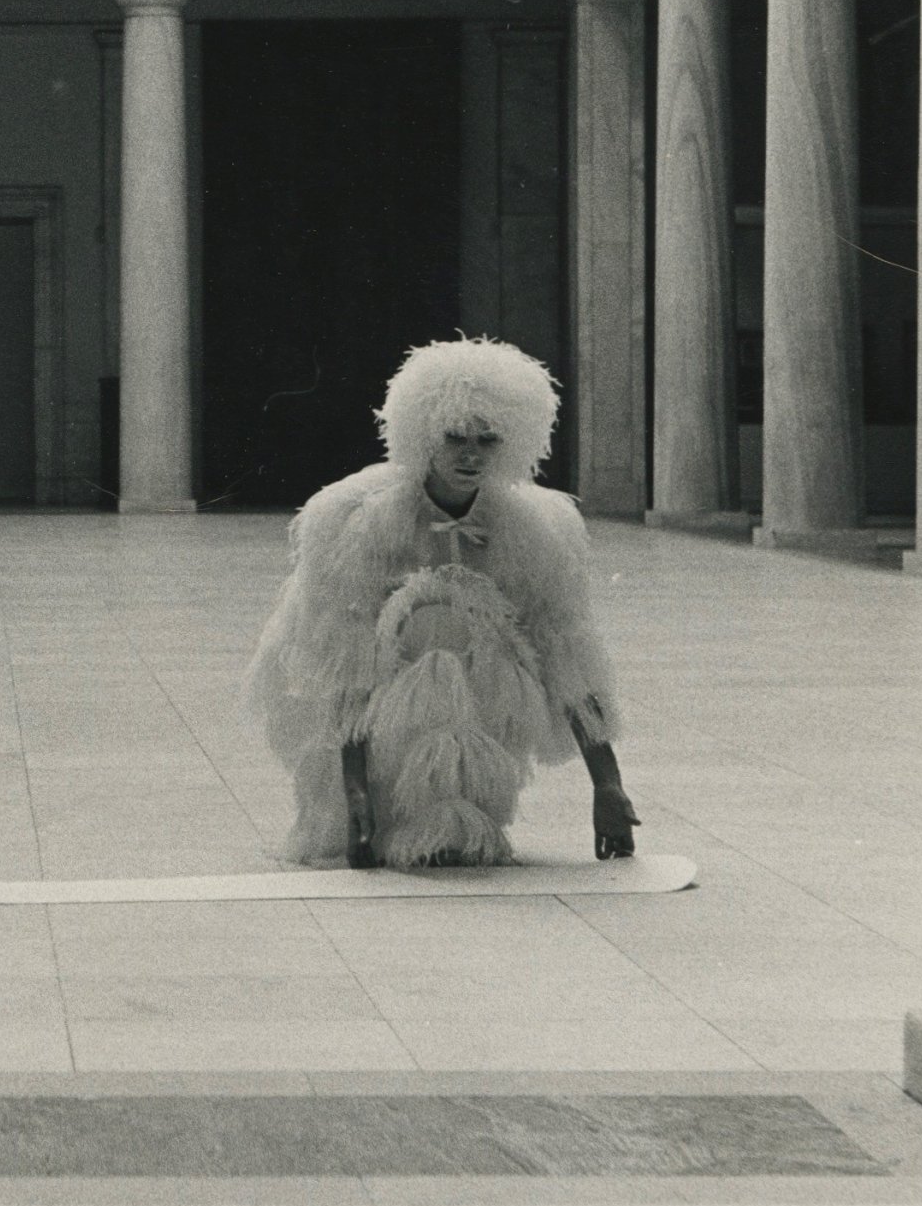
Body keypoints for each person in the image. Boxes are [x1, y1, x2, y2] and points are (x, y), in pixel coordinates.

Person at [244, 338, 641, 870]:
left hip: (482, 703)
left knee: (466, 622)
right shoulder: (360, 522)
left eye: (488, 440)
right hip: (381, 712)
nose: (471, 455)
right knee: (428, 620)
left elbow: (566, 654)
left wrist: (608, 784)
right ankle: (388, 807)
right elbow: (345, 665)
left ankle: (455, 804)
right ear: (425, 434)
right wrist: (353, 789)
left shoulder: (536, 530)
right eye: (455, 438)